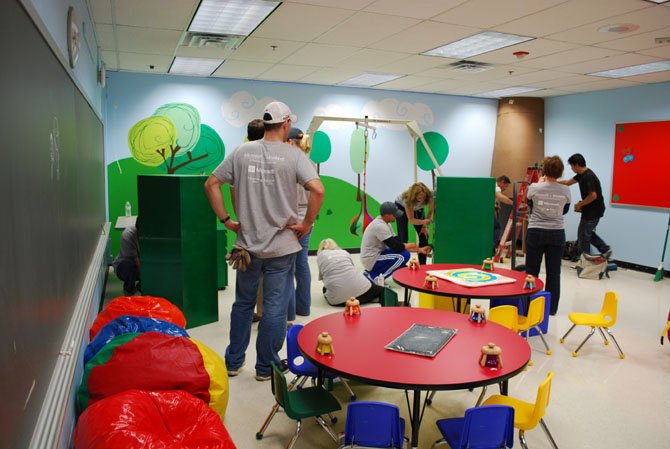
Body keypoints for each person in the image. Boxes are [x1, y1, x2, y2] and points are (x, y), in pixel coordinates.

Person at [204, 101, 324, 381]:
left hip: (246, 246)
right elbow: (317, 190)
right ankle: (265, 367)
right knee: (274, 308)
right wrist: (307, 224)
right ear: (285, 125)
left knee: (243, 304)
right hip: (282, 248)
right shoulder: (295, 156)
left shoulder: (241, 152)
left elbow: (211, 184)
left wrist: (227, 221)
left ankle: (233, 362)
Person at [525, 156, 571, 316]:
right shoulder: (566, 190)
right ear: (560, 173)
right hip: (557, 233)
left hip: (536, 231)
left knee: (531, 271)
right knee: (554, 272)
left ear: (543, 170)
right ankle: (551, 309)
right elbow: (565, 210)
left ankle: (528, 306)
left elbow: (529, 203)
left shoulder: (534, 187)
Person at [360, 202, 432, 282]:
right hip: (371, 259)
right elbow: (397, 247)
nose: (396, 217)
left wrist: (420, 250)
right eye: (394, 215)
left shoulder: (386, 223)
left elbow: (399, 242)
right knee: (402, 256)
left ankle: (370, 273)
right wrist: (413, 245)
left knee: (403, 256)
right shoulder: (380, 226)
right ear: (387, 216)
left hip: (377, 255)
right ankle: (374, 277)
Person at [560, 153, 612, 260]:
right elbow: (567, 182)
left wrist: (579, 204)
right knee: (586, 233)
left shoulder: (588, 176)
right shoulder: (581, 174)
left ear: (577, 165)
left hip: (593, 211)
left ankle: (585, 262)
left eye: (572, 166)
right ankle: (605, 249)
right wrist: (552, 182)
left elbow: (593, 196)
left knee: (583, 235)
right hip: (591, 210)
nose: (571, 168)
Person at [286, 127, 314, 319]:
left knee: (288, 267)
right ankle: (303, 307)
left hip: (293, 219)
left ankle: (289, 312)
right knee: (301, 264)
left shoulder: (291, 162)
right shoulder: (309, 162)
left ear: (289, 142)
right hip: (306, 220)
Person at [316, 238, 384, 306]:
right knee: (379, 289)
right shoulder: (344, 252)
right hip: (363, 292)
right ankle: (369, 298)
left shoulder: (320, 256)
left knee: (325, 289)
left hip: (338, 301)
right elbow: (352, 270)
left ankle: (357, 298)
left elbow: (323, 278)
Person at [395, 182, 434, 264]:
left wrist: (424, 226)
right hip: (401, 206)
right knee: (403, 236)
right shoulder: (407, 199)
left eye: (423, 197)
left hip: (418, 208)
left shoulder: (430, 194)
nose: (422, 199)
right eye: (419, 197)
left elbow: (431, 210)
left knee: (424, 236)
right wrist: (423, 221)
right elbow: (412, 219)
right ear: (414, 196)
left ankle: (423, 264)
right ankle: (401, 264)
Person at [113, 224, 141, 296]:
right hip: (124, 266)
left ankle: (140, 286)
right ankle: (129, 291)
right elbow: (135, 260)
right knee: (131, 266)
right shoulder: (128, 234)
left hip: (139, 266)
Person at [493, 175, 513, 251]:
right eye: (506, 186)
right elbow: (500, 197)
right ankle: (493, 248)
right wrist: (513, 203)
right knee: (497, 227)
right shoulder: (497, 187)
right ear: (502, 182)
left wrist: (494, 205)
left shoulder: (491, 185)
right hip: (486, 212)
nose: (505, 189)